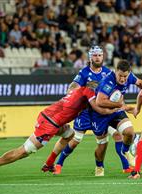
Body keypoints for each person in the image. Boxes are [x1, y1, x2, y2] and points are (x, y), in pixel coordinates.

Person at [0, 86, 119, 179]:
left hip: (50, 118)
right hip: (49, 124)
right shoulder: (89, 92)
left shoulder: (79, 90)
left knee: (70, 134)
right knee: (24, 151)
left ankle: (49, 163)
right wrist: (119, 107)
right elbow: (100, 109)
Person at [43, 46, 136, 176]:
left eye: (99, 55)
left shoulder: (108, 72)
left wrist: (121, 106)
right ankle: (59, 164)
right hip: (86, 112)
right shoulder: (84, 73)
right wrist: (76, 96)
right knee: (75, 141)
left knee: (114, 136)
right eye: (95, 55)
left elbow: (117, 93)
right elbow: (72, 88)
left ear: (103, 57)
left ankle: (124, 166)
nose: (97, 58)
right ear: (90, 57)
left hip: (102, 112)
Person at [90, 59, 142, 176]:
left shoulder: (129, 77)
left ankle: (125, 151)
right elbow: (100, 101)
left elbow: (141, 84)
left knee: (129, 132)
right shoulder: (107, 82)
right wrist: (120, 105)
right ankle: (99, 166)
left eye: (125, 76)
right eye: (120, 76)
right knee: (102, 145)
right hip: (99, 115)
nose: (122, 79)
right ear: (115, 71)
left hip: (115, 112)